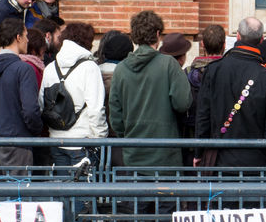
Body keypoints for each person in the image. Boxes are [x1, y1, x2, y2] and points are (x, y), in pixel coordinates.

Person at [193, 16, 266, 168]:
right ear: (261, 40)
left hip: (219, 160)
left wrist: (199, 153)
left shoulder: (214, 70)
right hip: (255, 163)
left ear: (238, 36)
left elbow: (203, 117)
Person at [107, 10, 192, 168]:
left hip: (133, 153)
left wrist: (128, 135)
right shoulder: (169, 64)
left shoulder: (121, 69)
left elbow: (116, 117)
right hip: (165, 154)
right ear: (158, 34)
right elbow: (182, 103)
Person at [0, 19, 45, 169]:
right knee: (19, 184)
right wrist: (34, 131)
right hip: (18, 141)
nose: (27, 40)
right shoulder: (24, 69)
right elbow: (30, 110)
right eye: (26, 35)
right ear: (18, 37)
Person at [39, 21, 106, 168]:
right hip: (83, 141)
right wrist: (100, 138)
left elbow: (42, 104)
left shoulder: (50, 68)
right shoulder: (90, 67)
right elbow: (96, 109)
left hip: (56, 140)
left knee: (62, 182)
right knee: (84, 183)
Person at [182, 24, 226, 138]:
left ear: (202, 44)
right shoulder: (230, 72)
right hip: (223, 133)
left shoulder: (187, 72)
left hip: (194, 133)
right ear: (224, 45)